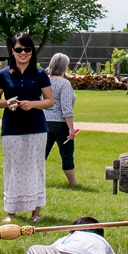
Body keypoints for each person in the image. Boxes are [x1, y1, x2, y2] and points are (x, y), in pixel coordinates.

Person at [0, 32, 54, 223]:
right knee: (13, 168)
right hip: (11, 128)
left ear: (32, 51)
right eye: (19, 49)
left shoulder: (40, 74)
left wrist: (33, 104)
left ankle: (36, 212)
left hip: (36, 127)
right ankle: (11, 211)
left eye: (27, 49)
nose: (23, 53)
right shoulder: (3, 74)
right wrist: (6, 103)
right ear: (12, 51)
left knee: (36, 167)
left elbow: (50, 101)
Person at [45, 52, 79, 188]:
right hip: (60, 123)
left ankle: (35, 180)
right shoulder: (64, 83)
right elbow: (66, 107)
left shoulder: (45, 81)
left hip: (44, 121)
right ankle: (73, 182)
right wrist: (71, 127)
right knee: (66, 153)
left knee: (41, 153)